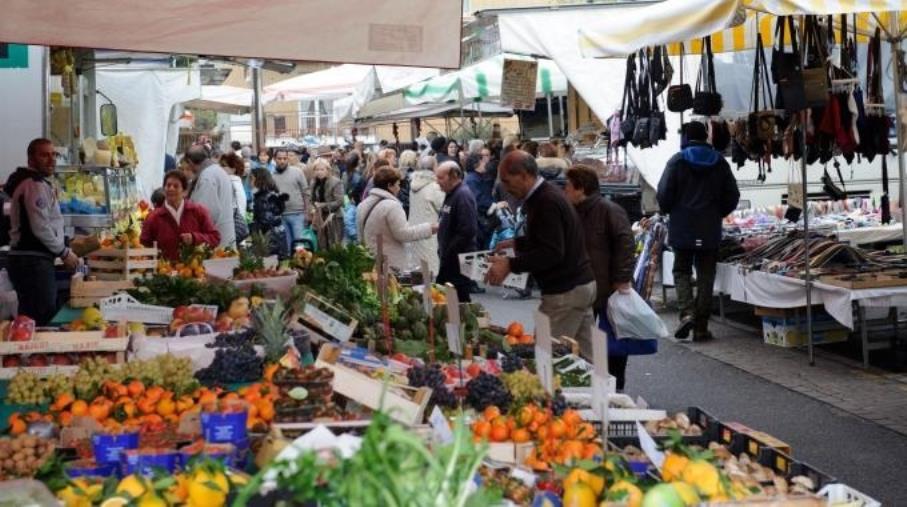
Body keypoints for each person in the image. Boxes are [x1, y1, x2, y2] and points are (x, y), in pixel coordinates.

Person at [486, 150, 597, 358]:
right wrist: (517, 243)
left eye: (507, 182)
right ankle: (603, 390)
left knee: (545, 358)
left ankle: (585, 389)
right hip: (580, 285)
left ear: (525, 176)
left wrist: (510, 264)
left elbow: (552, 252)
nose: (506, 189)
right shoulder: (545, 195)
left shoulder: (546, 201)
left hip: (565, 292)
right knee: (590, 361)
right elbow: (549, 237)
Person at [657, 121, 740, 341]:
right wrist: (717, 213)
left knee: (681, 271)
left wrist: (670, 210)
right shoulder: (720, 162)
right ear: (705, 137)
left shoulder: (677, 161)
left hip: (682, 226)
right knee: (706, 275)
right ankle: (701, 327)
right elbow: (732, 195)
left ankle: (686, 313)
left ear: (685, 137)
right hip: (709, 227)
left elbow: (664, 194)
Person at [564, 165, 637, 390]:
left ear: (581, 188)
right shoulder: (572, 211)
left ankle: (615, 384)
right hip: (581, 285)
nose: (565, 190)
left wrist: (622, 278)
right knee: (583, 337)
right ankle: (590, 381)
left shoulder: (609, 210)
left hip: (608, 286)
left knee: (613, 338)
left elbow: (626, 245)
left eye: (568, 186)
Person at [6, 138, 80, 325]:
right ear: (31, 159)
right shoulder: (34, 185)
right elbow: (41, 227)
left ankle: (27, 353)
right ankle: (34, 354)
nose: (51, 159)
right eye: (44, 155)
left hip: (32, 260)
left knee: (31, 317)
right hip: (32, 261)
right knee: (41, 318)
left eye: (53, 154)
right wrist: (64, 252)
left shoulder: (37, 183)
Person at [357, 167, 437, 272]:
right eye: (398, 185)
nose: (399, 188)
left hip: (370, 259)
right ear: (390, 186)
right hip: (389, 263)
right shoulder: (391, 206)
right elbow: (403, 234)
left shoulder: (363, 204)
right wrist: (429, 228)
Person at [141, 171, 221, 262]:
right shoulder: (153, 217)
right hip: (164, 272)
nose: (171, 188)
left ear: (185, 192)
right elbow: (144, 245)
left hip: (195, 270)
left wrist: (194, 238)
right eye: (168, 185)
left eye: (176, 186)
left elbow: (215, 238)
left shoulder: (198, 211)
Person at [435, 161, 478, 302]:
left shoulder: (463, 195)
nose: (437, 182)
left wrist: (448, 253)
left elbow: (468, 230)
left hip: (459, 260)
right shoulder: (452, 194)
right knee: (450, 300)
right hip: (451, 259)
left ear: (453, 176)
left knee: (459, 300)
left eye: (441, 178)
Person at [186, 145, 236, 248]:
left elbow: (205, 212)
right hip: (223, 236)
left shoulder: (207, 177)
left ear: (190, 162)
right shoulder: (217, 171)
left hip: (216, 241)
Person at [408, 156, 446, 276]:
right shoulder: (434, 187)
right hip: (430, 232)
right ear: (434, 168)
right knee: (431, 268)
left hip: (414, 231)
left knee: (418, 269)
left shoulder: (413, 185)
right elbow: (443, 206)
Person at [271, 148, 309, 253]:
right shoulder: (272, 175)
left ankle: (301, 268)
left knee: (299, 246)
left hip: (298, 214)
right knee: (287, 247)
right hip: (281, 216)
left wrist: (307, 212)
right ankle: (290, 268)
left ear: (288, 159)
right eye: (279, 158)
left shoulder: (297, 172)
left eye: (285, 158)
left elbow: (306, 192)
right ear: (274, 159)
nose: (282, 161)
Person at [249, 168, 289, 258]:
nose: (249, 182)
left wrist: (251, 227)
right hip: (276, 237)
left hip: (270, 241)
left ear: (259, 179)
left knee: (270, 268)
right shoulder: (270, 195)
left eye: (251, 178)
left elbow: (265, 221)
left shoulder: (263, 198)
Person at [466, 145, 497, 250]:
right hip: (479, 223)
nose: (485, 163)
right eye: (482, 161)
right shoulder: (472, 179)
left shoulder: (476, 177)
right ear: (476, 165)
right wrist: (494, 205)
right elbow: (479, 200)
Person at [309, 158, 345, 249]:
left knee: (334, 244)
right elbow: (312, 199)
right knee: (322, 244)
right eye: (317, 169)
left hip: (334, 217)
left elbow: (340, 201)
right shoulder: (314, 183)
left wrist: (323, 205)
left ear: (328, 170)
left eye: (322, 169)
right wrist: (313, 207)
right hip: (320, 217)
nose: (319, 172)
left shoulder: (336, 182)